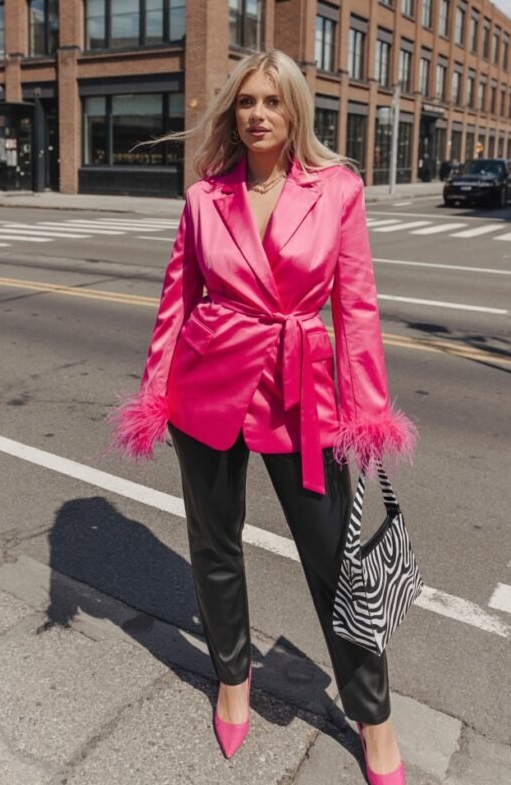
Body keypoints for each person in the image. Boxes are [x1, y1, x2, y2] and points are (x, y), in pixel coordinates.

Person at [104, 49, 418, 783]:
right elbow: (174, 303)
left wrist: (365, 412)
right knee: (213, 546)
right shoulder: (203, 198)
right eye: (246, 101)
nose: (257, 114)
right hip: (207, 384)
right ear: (231, 112)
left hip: (300, 389)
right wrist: (157, 393)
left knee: (336, 563)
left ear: (295, 112)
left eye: (272, 102)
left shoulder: (336, 190)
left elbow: (357, 307)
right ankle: (233, 677)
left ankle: (373, 717)